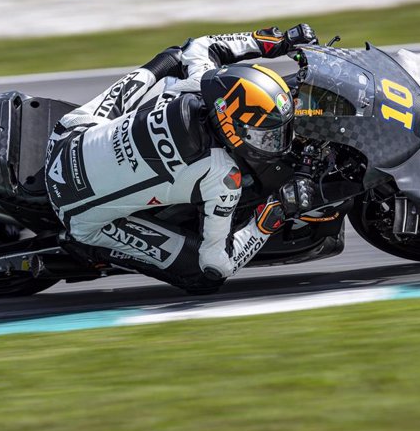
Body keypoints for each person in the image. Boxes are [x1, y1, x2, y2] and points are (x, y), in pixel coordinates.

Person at [45, 24, 318, 293]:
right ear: (232, 130)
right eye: (267, 136)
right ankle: (89, 247)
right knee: (203, 275)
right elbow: (217, 263)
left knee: (174, 57)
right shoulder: (222, 176)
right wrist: (275, 210)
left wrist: (274, 41)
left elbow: (199, 46)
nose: (276, 142)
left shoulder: (198, 84)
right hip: (75, 212)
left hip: (66, 136)